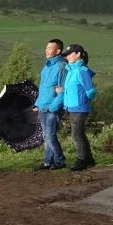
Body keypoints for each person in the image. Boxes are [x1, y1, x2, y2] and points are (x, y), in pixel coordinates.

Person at [58, 43, 96, 171]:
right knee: (80, 134)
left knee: (76, 135)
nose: (67, 56)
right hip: (72, 107)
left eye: (69, 54)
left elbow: (90, 90)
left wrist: (82, 101)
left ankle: (81, 160)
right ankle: (89, 159)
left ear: (78, 54)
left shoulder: (81, 71)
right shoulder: (71, 70)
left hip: (79, 107)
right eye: (66, 55)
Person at [32, 38, 67, 171]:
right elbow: (43, 88)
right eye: (46, 48)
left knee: (49, 135)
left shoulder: (61, 67)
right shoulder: (46, 67)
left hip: (53, 108)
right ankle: (48, 161)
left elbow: (63, 91)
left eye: (50, 48)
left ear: (58, 51)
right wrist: (37, 104)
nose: (46, 51)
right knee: (46, 136)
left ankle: (59, 160)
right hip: (42, 106)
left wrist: (53, 107)